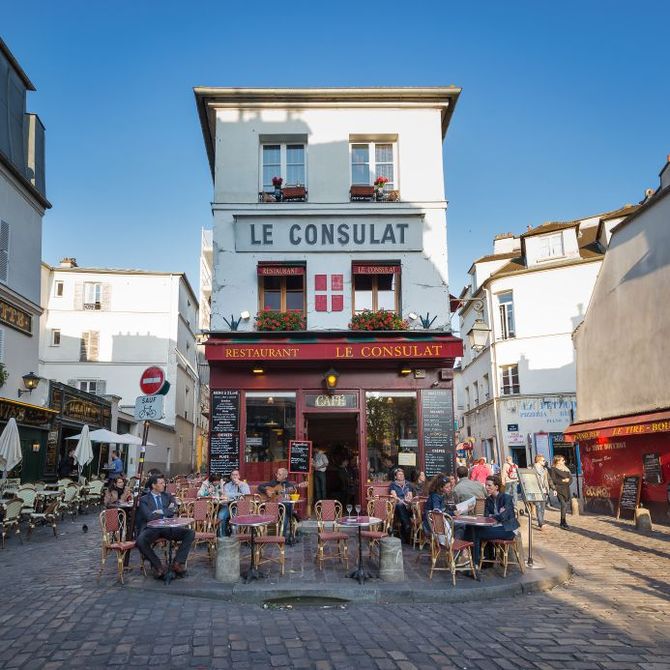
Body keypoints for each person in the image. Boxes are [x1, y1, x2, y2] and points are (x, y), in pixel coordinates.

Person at [135, 474, 195, 579]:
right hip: (152, 528)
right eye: (161, 483)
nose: (164, 485)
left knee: (190, 533)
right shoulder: (144, 499)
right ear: (154, 485)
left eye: (164, 483)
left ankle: (177, 562)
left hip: (167, 527)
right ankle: (158, 566)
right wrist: (166, 511)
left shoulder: (168, 496)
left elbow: (174, 510)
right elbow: (149, 517)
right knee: (140, 541)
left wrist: (161, 511)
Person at [470, 475, 520, 566]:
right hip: (495, 526)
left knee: (477, 533)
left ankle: (476, 563)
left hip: (508, 529)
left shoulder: (506, 498)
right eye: (486, 485)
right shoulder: (488, 500)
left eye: (489, 485)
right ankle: (486, 560)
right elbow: (486, 516)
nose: (487, 487)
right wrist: (496, 515)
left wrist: (493, 516)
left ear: (496, 487)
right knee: (473, 529)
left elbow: (504, 517)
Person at [220, 470, 251, 536]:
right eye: (233, 475)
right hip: (228, 506)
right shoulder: (227, 485)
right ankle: (223, 537)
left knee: (236, 517)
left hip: (240, 507)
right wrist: (239, 494)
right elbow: (225, 494)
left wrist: (239, 485)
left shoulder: (244, 485)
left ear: (239, 476)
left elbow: (247, 495)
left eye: (236, 475)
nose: (235, 476)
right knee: (221, 516)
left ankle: (237, 537)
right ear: (231, 477)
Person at [388, 468, 414, 543]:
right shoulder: (393, 484)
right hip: (398, 504)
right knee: (400, 505)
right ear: (395, 477)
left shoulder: (408, 484)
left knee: (413, 506)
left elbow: (410, 495)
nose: (401, 475)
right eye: (399, 474)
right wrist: (402, 501)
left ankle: (406, 526)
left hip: (407, 504)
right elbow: (394, 496)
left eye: (402, 474)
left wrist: (408, 500)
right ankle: (407, 525)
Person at [549, 455, 573, 529]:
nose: (564, 461)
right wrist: (563, 481)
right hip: (559, 489)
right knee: (564, 505)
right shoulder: (553, 469)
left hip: (566, 489)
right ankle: (563, 521)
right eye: (562, 460)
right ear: (558, 461)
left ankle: (562, 522)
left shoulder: (566, 469)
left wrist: (568, 481)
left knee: (565, 505)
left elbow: (571, 479)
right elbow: (553, 480)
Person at [532, 455, 549, 530]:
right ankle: (541, 523)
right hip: (537, 490)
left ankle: (541, 521)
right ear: (538, 461)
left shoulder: (544, 469)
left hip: (544, 490)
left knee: (542, 507)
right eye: (543, 460)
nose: (544, 462)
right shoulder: (533, 469)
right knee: (538, 507)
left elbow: (547, 479)